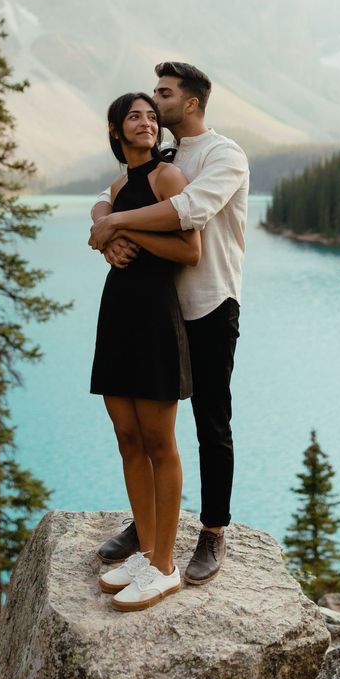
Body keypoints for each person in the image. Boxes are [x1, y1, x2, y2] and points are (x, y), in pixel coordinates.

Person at [90, 61, 249, 585]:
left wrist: (114, 224)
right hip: (159, 308)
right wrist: (103, 221)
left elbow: (189, 211)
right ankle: (150, 528)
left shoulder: (224, 155)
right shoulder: (166, 152)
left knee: (211, 420)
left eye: (163, 93)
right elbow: (122, 187)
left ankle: (213, 531)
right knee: (150, 431)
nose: (154, 104)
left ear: (192, 102)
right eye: (150, 96)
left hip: (209, 301)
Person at [90, 91, 201, 611]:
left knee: (161, 443)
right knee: (127, 438)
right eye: (134, 116)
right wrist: (108, 231)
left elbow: (189, 250)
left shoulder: (167, 179)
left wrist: (122, 225)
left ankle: (165, 566)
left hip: (157, 318)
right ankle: (147, 549)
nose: (147, 123)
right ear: (116, 131)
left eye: (152, 116)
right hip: (118, 317)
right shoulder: (118, 185)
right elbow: (103, 225)